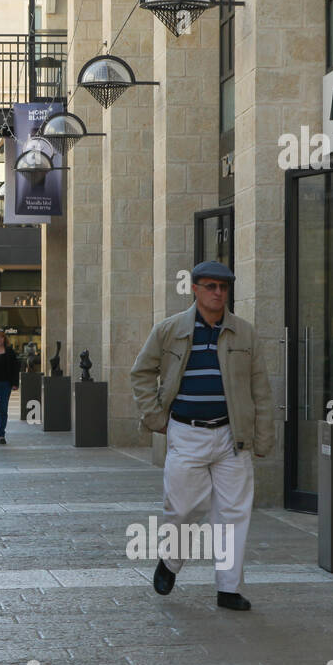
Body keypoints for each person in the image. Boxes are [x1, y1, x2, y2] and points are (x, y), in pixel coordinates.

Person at [130, 260, 274, 612]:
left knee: (233, 512)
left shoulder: (244, 333)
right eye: (210, 286)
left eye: (223, 287)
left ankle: (229, 588)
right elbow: (141, 372)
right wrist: (154, 416)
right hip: (185, 431)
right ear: (194, 289)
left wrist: (263, 436)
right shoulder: (170, 330)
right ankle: (170, 562)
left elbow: (260, 387)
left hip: (231, 435)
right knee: (182, 507)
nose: (217, 293)